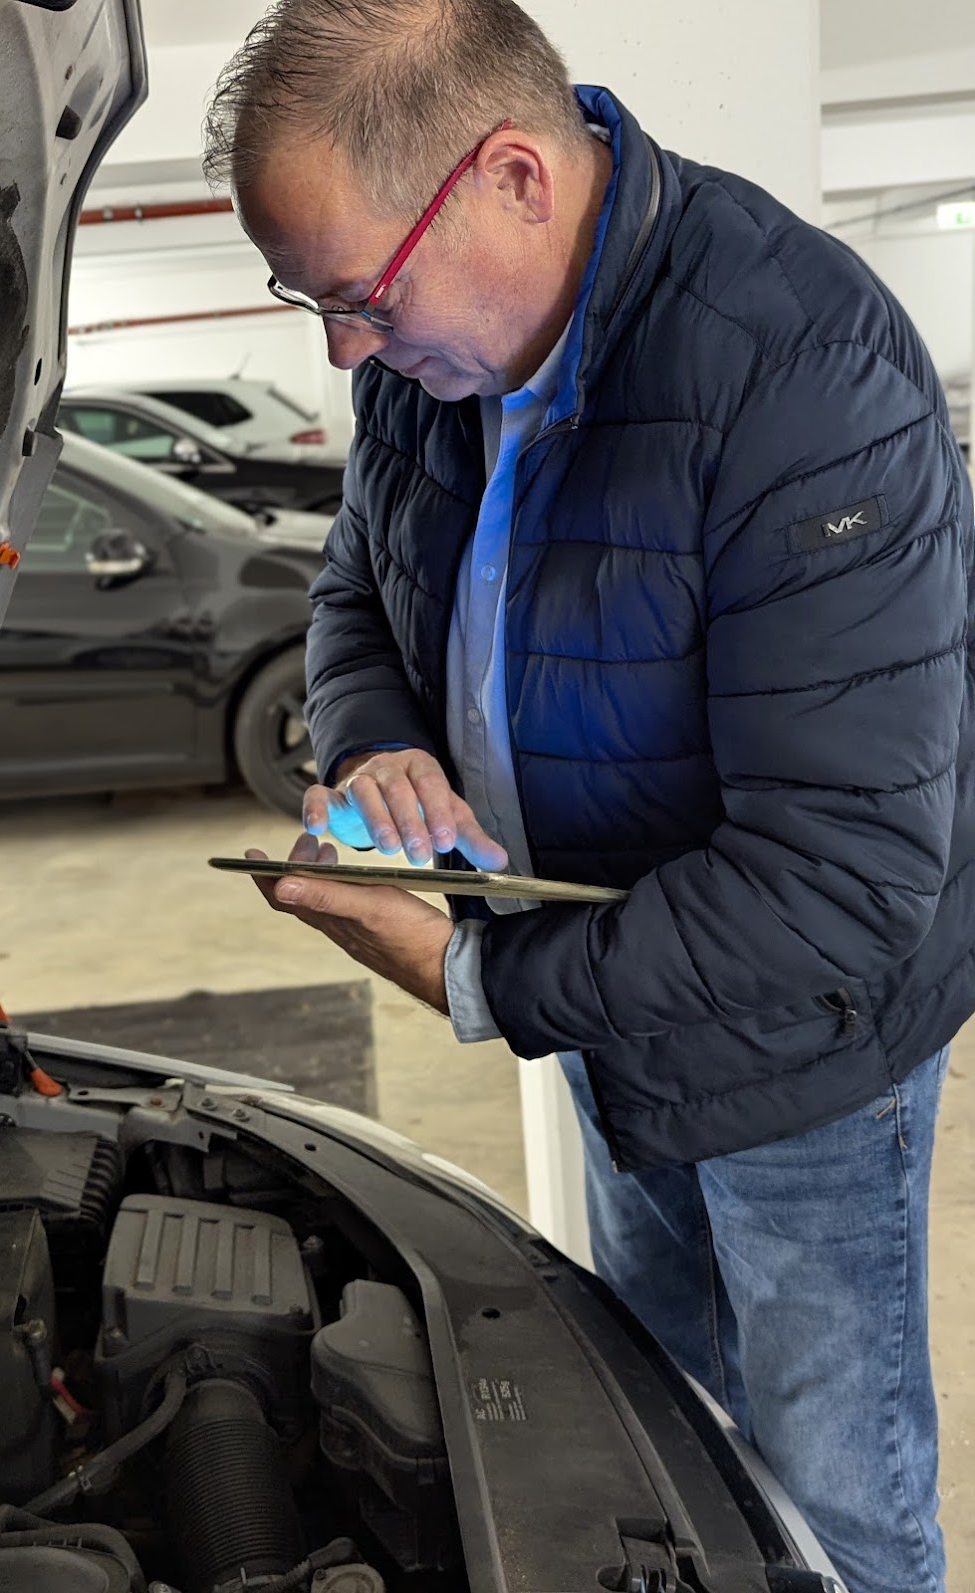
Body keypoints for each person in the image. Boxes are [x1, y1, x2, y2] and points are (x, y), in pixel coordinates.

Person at [203, 3, 974, 1588]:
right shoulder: (430, 361)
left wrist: (480, 979)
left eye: (357, 296)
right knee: (661, 1434)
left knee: (834, 1502)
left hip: (803, 1057)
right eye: (312, 298)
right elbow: (355, 586)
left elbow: (838, 878)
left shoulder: (804, 374)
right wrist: (373, 738)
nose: (341, 350)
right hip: (615, 1021)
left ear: (515, 179)